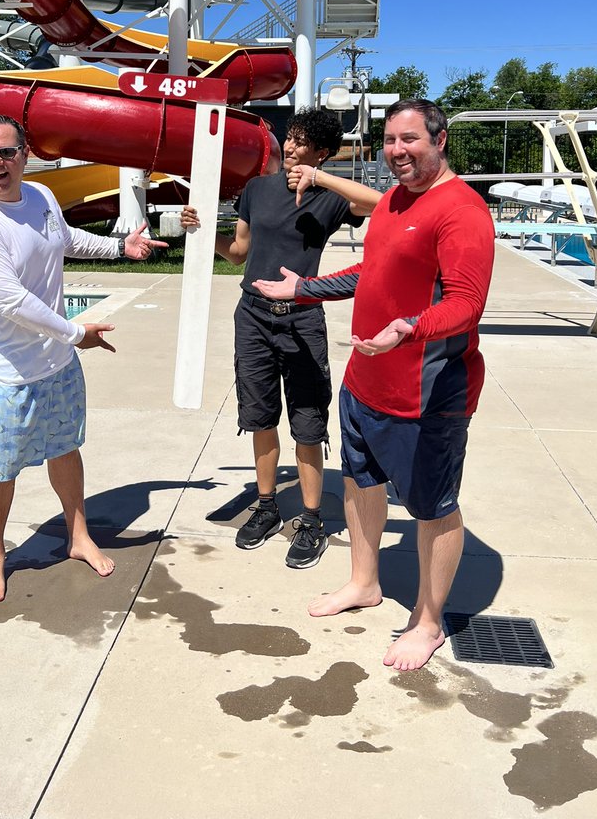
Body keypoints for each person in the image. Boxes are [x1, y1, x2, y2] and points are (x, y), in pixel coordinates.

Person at [253, 99, 494, 671]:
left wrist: (409, 328)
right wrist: (305, 289)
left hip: (426, 393)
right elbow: (373, 273)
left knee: (433, 507)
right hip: (365, 381)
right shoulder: (393, 202)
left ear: (439, 140)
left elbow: (466, 304)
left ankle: (429, 620)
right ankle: (364, 581)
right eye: (389, 140)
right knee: (360, 484)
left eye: (409, 139)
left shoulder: (462, 211)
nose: (396, 151)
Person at [0, 113, 166, 603]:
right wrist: (75, 333)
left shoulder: (40, 197)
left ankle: (79, 535)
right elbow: (11, 302)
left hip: (55, 365)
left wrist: (118, 247)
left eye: (6, 152)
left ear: (26, 155)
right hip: (1, 374)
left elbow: (66, 240)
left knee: (66, 448)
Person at [181, 107, 381, 569]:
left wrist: (321, 180)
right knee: (260, 415)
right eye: (289, 139)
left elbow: (379, 202)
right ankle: (268, 505)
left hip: (303, 318)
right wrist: (204, 229)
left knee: (309, 423)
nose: (290, 149)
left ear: (323, 153)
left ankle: (311, 519)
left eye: (302, 143)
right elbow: (238, 254)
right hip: (252, 316)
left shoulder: (330, 199)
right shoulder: (257, 189)